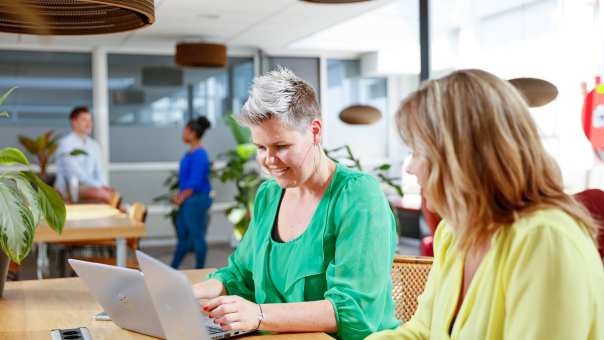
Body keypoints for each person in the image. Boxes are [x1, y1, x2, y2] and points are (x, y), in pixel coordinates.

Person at [368, 69, 604, 340]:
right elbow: (422, 332)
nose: (410, 167)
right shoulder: (454, 233)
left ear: (462, 158)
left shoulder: (545, 239)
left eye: (419, 151)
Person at [192, 68, 399, 339]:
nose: (269, 160)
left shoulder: (358, 196)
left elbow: (354, 311)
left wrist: (259, 315)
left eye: (281, 146)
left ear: (315, 132)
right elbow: (239, 276)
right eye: (261, 148)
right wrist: (184, 293)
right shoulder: (269, 195)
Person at [171, 116, 213, 269]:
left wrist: (181, 198)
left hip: (196, 200)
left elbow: (194, 182)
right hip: (188, 200)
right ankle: (172, 269)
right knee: (183, 237)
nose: (183, 133)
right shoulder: (190, 153)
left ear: (193, 133)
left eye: (185, 130)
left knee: (197, 237)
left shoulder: (200, 154)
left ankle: (200, 270)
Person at [55, 106, 115, 203]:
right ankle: (129, 212)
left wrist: (103, 185)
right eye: (84, 120)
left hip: (92, 186)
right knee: (105, 195)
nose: (89, 124)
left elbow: (99, 170)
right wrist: (98, 186)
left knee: (112, 194)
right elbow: (76, 174)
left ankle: (127, 212)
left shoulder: (94, 145)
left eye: (90, 120)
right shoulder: (65, 144)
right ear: (74, 122)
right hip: (72, 187)